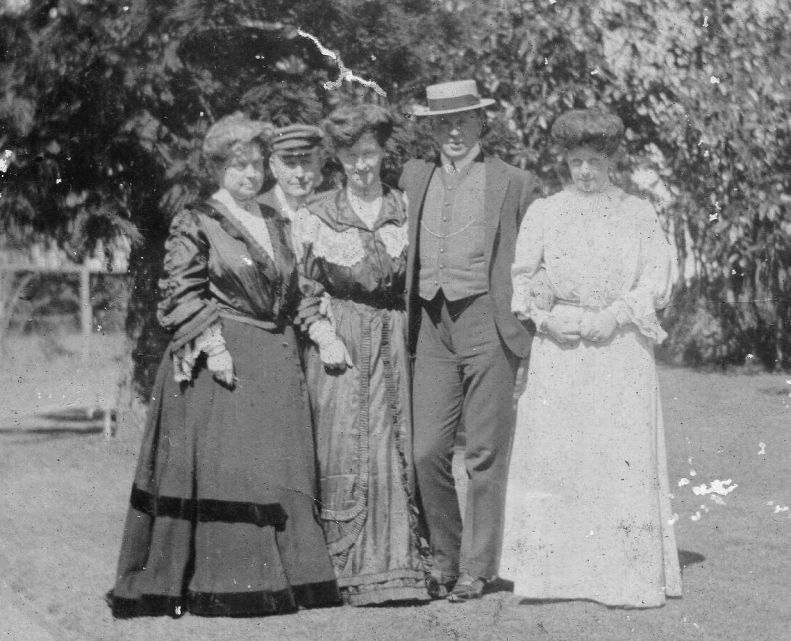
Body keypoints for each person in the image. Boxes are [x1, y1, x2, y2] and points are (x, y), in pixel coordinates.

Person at [108, 113, 344, 618]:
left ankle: (293, 575)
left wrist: (320, 331)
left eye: (257, 165)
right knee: (233, 474)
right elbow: (179, 289)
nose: (249, 176)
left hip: (275, 359)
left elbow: (294, 290)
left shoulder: (276, 220)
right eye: (238, 167)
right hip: (225, 361)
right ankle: (230, 579)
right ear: (218, 167)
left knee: (280, 471)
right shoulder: (197, 219)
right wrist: (212, 343)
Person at [501, 107, 683, 607]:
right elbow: (523, 278)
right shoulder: (545, 212)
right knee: (560, 456)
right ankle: (556, 577)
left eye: (594, 161)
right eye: (575, 160)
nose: (584, 171)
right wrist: (543, 316)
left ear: (611, 162)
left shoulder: (637, 212)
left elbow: (656, 279)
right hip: (561, 347)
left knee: (616, 456)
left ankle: (621, 576)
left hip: (619, 348)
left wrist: (619, 313)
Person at [401, 79, 536, 602]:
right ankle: (445, 554)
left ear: (482, 123)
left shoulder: (513, 181)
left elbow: (533, 259)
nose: (453, 132)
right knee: (426, 449)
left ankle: (477, 567)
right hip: (430, 325)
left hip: (487, 321)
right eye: (442, 123)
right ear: (430, 128)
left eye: (463, 121)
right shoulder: (414, 177)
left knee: (484, 453)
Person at [301, 104, 430, 605]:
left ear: (382, 153)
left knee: (395, 439)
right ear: (337, 158)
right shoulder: (320, 214)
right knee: (344, 440)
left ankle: (400, 566)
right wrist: (322, 332)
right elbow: (304, 283)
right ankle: (344, 567)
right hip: (342, 336)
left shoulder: (403, 207)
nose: (362, 165)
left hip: (395, 336)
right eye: (351, 155)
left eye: (369, 153)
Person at [257, 123, 325, 254]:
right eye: (290, 163)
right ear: (273, 166)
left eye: (306, 162)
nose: (299, 174)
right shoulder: (256, 213)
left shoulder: (336, 210)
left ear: (320, 163)